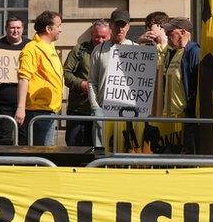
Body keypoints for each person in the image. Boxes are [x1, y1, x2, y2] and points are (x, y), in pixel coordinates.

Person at [89, 9, 138, 150]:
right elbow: (92, 81)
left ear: (128, 26)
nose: (120, 28)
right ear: (111, 25)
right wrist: (95, 108)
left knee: (126, 150)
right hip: (103, 111)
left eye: (124, 25)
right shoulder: (99, 50)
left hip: (129, 112)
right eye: (117, 24)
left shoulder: (137, 50)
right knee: (101, 151)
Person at [15, 11, 64, 146]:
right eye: (58, 26)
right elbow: (23, 78)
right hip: (38, 110)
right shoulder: (31, 49)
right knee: (42, 152)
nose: (61, 29)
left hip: (50, 109)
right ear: (48, 29)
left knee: (47, 150)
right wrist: (21, 107)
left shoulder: (51, 47)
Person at [62, 19, 110, 147]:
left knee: (100, 150)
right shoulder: (79, 50)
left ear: (109, 35)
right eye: (97, 37)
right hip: (80, 110)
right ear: (92, 35)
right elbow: (66, 73)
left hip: (105, 112)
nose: (100, 40)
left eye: (103, 37)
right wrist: (81, 84)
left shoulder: (115, 51)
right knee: (76, 149)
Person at [160, 17, 201, 153]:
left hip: (185, 119)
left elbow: (196, 84)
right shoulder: (174, 52)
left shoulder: (193, 52)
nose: (166, 35)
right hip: (171, 119)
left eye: (170, 32)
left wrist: (190, 114)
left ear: (183, 32)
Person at [0, 15, 28, 145]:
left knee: (24, 139)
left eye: (18, 27)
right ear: (6, 29)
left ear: (23, 29)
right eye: (12, 28)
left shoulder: (30, 46)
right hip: (1, 103)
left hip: (25, 103)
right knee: (4, 138)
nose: (15, 31)